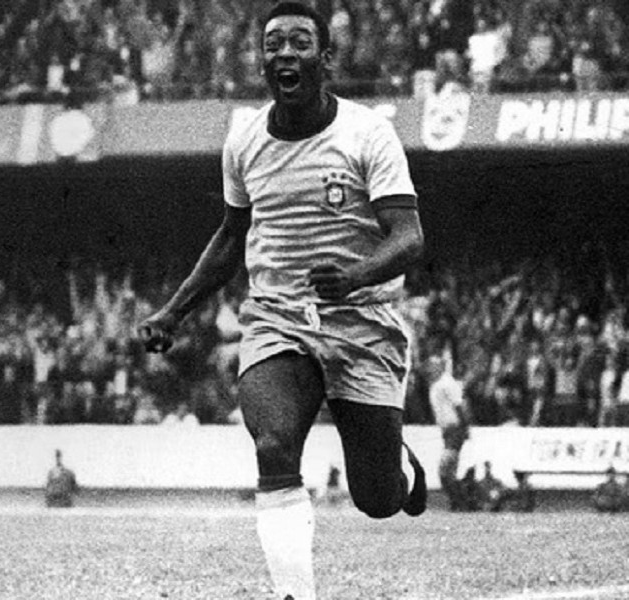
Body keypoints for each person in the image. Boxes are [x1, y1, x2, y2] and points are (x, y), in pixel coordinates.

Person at [138, 3, 426, 599]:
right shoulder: (245, 141)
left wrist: (355, 276)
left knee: (377, 499)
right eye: (273, 45)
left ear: (326, 58)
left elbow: (409, 237)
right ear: (262, 61)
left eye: (299, 42)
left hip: (361, 319)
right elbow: (230, 237)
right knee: (273, 445)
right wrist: (173, 310)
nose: (285, 54)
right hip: (277, 316)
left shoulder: (367, 133)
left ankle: (396, 463)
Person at [426, 354, 470, 510]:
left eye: (433, 366)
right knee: (450, 470)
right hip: (447, 431)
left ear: (441, 367)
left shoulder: (447, 384)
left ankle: (460, 503)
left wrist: (464, 427)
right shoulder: (436, 384)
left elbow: (459, 405)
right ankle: (458, 504)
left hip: (454, 430)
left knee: (444, 470)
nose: (429, 369)